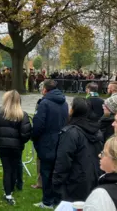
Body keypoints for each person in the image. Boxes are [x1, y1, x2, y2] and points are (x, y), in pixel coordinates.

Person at [52, 97, 103, 203]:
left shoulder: (71, 133)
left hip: (74, 181)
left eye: (71, 105)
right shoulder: (96, 130)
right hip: (92, 177)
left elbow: (63, 160)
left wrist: (57, 182)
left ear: (75, 109)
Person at [32, 79, 68, 209]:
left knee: (46, 172)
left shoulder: (44, 103)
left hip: (47, 141)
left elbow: (38, 125)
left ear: (45, 90)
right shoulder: (64, 102)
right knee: (57, 172)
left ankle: (47, 201)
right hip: (61, 140)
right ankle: (57, 199)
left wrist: (34, 137)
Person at [0, 90, 32, 205]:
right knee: (14, 168)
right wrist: (20, 141)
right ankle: (10, 190)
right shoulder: (22, 115)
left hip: (4, 145)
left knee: (7, 169)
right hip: (16, 146)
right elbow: (25, 133)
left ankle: (8, 192)